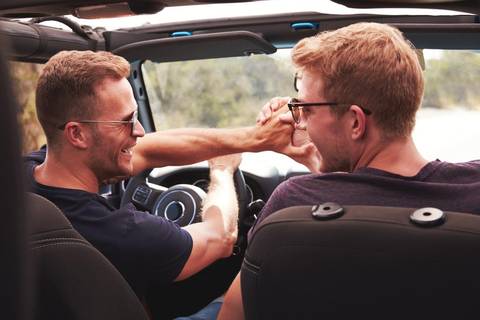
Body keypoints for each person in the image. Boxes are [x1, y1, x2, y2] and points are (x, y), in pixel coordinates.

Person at [217, 22, 480, 319]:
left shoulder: (292, 203)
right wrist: (319, 161)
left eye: (307, 110)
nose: (300, 123)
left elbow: (234, 312)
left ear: (355, 122)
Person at [23, 50, 312, 319]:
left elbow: (147, 150)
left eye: (137, 116)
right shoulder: (119, 233)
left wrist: (252, 139)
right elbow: (221, 237)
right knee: (233, 301)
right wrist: (223, 170)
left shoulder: (24, 173)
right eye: (126, 122)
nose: (139, 131)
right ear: (78, 134)